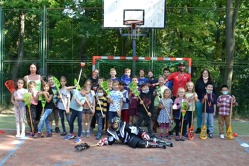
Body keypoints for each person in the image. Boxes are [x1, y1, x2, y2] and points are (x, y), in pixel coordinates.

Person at [96, 117, 168, 149]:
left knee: (147, 137)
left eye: (115, 124)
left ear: (118, 123)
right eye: (113, 124)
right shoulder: (110, 131)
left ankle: (160, 141)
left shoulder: (125, 126)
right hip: (129, 141)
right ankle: (156, 145)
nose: (114, 126)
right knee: (140, 144)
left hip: (133, 135)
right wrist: (103, 141)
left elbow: (135, 129)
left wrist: (143, 133)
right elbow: (111, 140)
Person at [195, 69, 216, 134]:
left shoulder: (211, 82)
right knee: (199, 115)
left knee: (207, 116)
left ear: (208, 74)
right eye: (204, 73)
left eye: (206, 73)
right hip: (200, 100)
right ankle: (199, 127)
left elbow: (215, 92)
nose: (205, 74)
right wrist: (196, 99)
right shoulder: (198, 81)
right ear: (202, 74)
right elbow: (195, 90)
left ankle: (206, 129)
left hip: (209, 102)